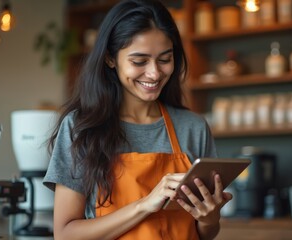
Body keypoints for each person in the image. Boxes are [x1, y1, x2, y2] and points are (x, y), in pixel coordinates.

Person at [43, 0, 232, 239]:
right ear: (111, 59)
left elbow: (205, 234)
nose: (154, 73)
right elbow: (65, 234)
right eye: (139, 61)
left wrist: (209, 218)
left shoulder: (193, 127)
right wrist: (145, 204)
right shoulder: (80, 127)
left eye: (164, 59)